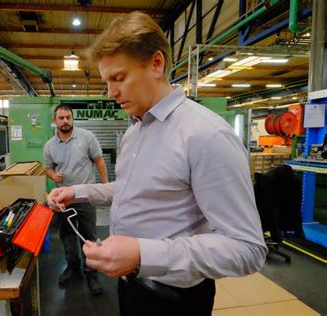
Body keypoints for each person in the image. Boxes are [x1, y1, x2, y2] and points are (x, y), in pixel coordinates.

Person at [47, 11, 268, 315]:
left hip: (173, 301)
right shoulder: (135, 130)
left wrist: (143, 253)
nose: (111, 93)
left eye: (119, 78)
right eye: (106, 81)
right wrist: (78, 192)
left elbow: (248, 249)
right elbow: (131, 189)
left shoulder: (206, 134)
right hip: (131, 286)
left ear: (156, 63)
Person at [44, 104, 109, 296]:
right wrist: (52, 176)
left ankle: (91, 273)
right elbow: (47, 168)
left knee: (88, 235)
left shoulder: (87, 137)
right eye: (61, 118)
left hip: (86, 197)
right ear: (55, 121)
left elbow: (99, 160)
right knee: (67, 235)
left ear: (72, 119)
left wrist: (105, 187)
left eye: (68, 117)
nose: (66, 121)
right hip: (63, 200)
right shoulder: (50, 145)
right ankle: (72, 267)